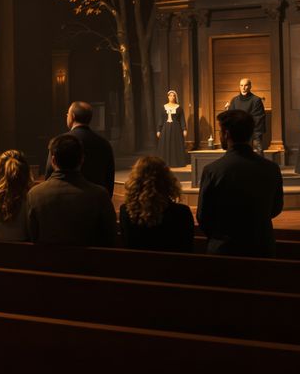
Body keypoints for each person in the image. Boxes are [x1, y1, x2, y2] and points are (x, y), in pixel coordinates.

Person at [196, 109, 284, 257]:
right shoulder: (271, 168)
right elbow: (275, 208)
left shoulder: (212, 170)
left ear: (226, 134)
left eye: (220, 131)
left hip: (224, 250)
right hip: (260, 248)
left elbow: (203, 216)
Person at [26, 134, 116, 246]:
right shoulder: (100, 195)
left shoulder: (35, 195)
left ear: (53, 161)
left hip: (47, 257)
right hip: (88, 257)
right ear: (82, 160)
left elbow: (33, 236)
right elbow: (110, 238)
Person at [119, 156, 194, 252]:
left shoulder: (126, 211)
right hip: (173, 261)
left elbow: (127, 244)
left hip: (136, 261)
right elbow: (187, 247)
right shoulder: (182, 213)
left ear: (135, 181)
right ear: (167, 180)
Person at [45, 101, 116, 196]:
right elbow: (109, 179)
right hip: (95, 199)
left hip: (63, 198)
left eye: (68, 114)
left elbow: (49, 175)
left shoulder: (59, 142)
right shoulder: (104, 144)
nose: (67, 116)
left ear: (72, 116)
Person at [224, 78, 266, 152]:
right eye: (241, 85)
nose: (243, 88)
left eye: (246, 85)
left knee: (257, 151)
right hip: (238, 134)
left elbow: (258, 119)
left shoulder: (256, 100)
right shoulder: (234, 100)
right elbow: (231, 117)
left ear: (250, 86)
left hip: (253, 133)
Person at [155, 89, 187, 168]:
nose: (172, 97)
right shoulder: (164, 107)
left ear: (175, 97)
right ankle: (165, 163)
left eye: (173, 96)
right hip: (166, 128)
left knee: (175, 144)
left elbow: (182, 119)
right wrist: (159, 130)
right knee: (165, 144)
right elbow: (161, 119)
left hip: (176, 128)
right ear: (168, 97)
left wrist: (184, 129)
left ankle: (176, 162)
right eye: (170, 95)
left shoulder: (179, 108)